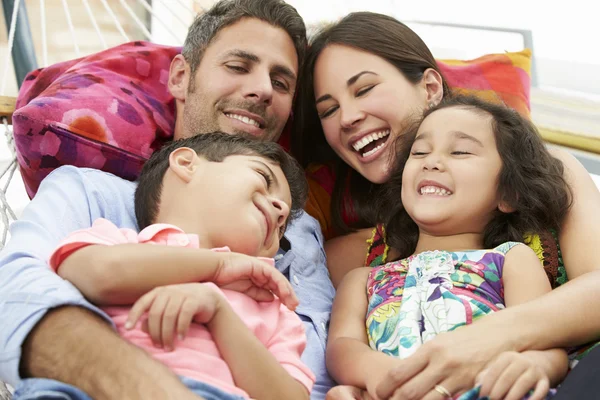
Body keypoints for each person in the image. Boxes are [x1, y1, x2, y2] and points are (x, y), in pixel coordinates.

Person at [0, 1, 335, 399]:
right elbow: (17, 295)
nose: (263, 89)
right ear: (180, 75)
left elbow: (311, 381)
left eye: (281, 83)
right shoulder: (92, 193)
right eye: (238, 66)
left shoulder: (295, 228)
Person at [295, 11, 600, 400]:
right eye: (328, 110)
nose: (349, 116)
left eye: (365, 88)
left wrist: (486, 344)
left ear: (430, 86)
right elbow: (338, 348)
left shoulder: (545, 177)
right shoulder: (353, 259)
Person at [327, 95, 570, 400]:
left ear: (508, 194)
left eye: (460, 151)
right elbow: (342, 346)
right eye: (419, 152)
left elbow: (544, 337)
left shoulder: (510, 259)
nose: (431, 161)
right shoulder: (363, 279)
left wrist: (537, 364)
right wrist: (380, 376)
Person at [39, 132, 314, 400]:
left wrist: (219, 313)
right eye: (264, 178)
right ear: (185, 164)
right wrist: (219, 266)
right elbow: (96, 275)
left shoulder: (271, 303)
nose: (281, 210)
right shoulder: (118, 242)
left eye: (283, 226)